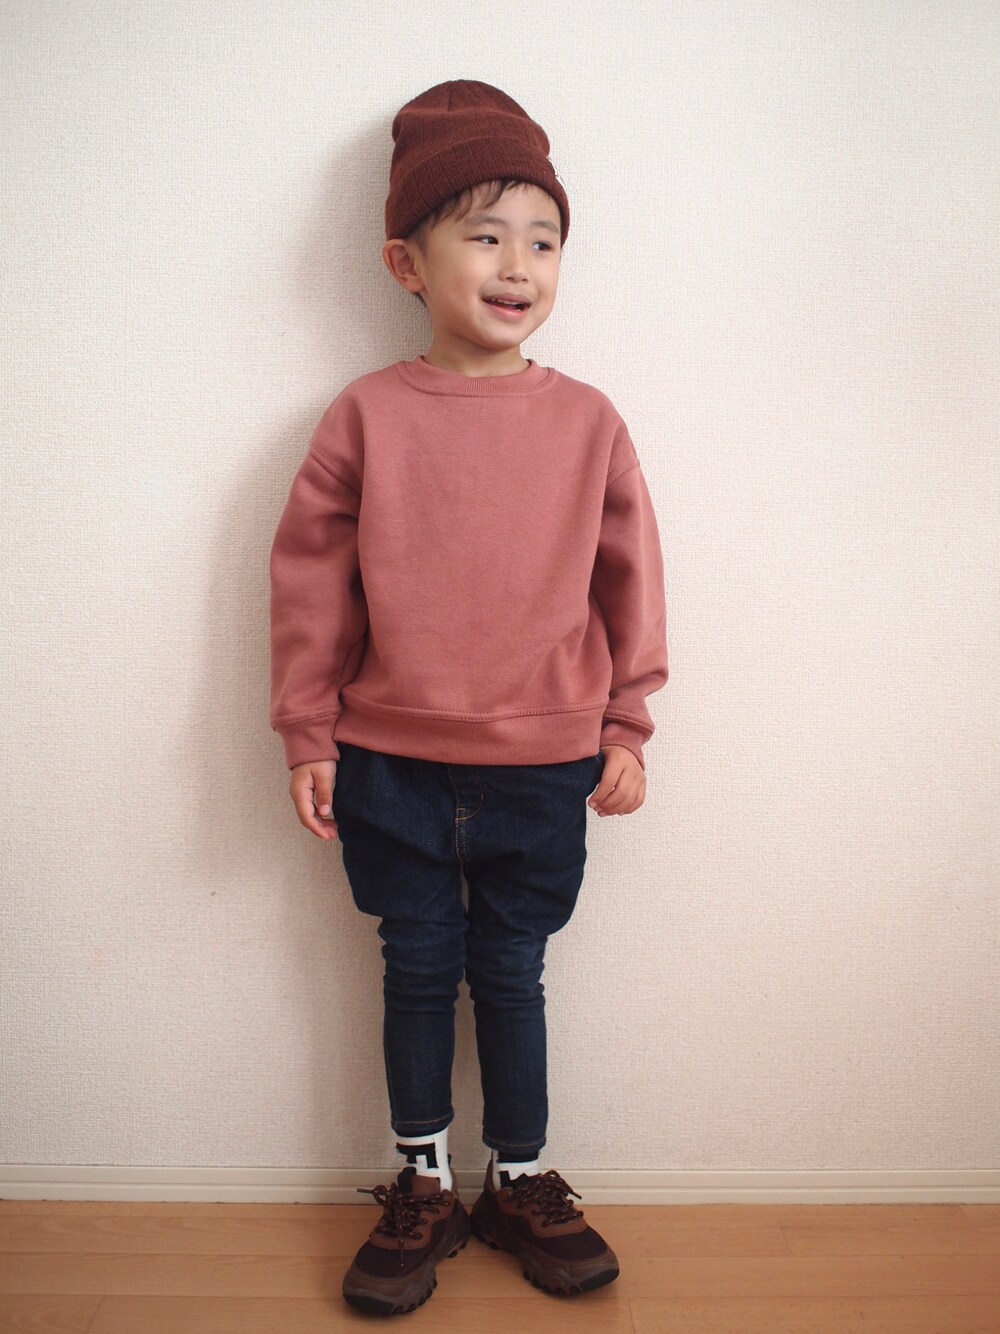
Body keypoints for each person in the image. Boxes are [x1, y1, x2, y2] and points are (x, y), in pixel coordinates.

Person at [269, 78, 668, 1317]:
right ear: (408, 259)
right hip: (389, 760)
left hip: (544, 765)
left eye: (543, 240)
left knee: (512, 973)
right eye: (485, 234)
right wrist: (308, 727)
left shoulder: (588, 422)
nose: (517, 265)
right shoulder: (365, 416)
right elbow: (309, 580)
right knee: (412, 968)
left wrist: (626, 719)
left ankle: (521, 1175)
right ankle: (422, 1180)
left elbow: (630, 579)